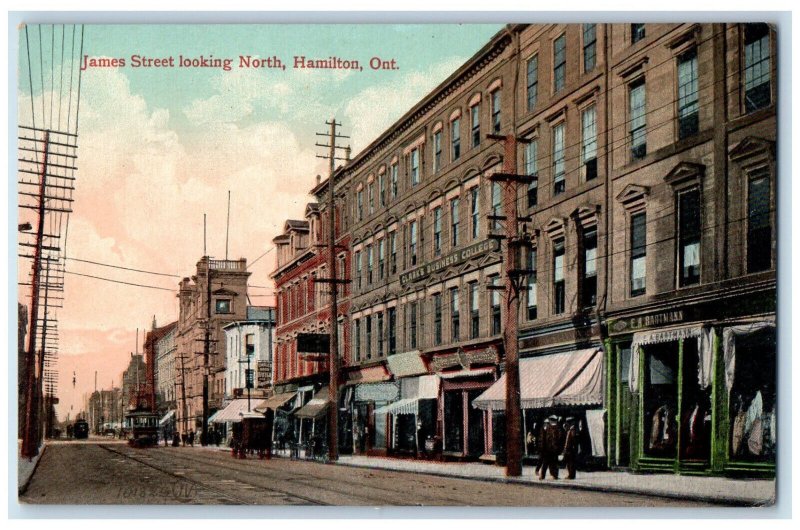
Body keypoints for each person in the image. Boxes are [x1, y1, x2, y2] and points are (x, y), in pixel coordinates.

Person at [539, 414, 564, 480]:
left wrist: (543, 448)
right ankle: (555, 475)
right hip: (555, 450)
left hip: (547, 449)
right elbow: (560, 439)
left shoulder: (547, 428)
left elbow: (544, 439)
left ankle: (542, 476)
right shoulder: (559, 428)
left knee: (545, 463)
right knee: (554, 463)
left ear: (550, 421)